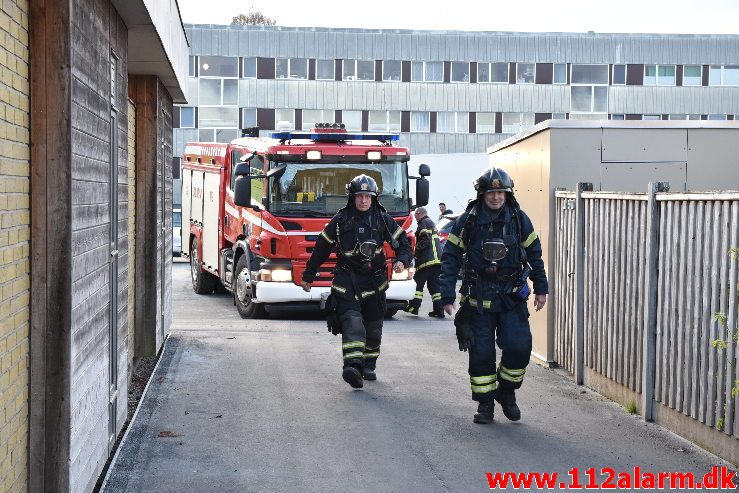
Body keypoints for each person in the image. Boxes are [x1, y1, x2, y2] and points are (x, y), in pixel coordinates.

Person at [439, 167, 548, 424]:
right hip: (478, 300)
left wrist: (541, 288)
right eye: (491, 192)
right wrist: (446, 296)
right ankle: (485, 406)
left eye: (500, 192)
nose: (496, 197)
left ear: (507, 194)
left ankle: (506, 392)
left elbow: (535, 256)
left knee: (519, 347)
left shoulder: (520, 220)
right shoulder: (467, 221)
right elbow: (450, 258)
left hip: (511, 299)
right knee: (481, 355)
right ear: (481, 194)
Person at [301, 174, 412, 388]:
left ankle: (369, 364)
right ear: (352, 198)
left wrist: (402, 260)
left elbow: (404, 244)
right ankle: (353, 367)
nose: (363, 200)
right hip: (347, 280)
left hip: (375, 282)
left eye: (367, 197)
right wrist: (308, 275)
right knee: (352, 322)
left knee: (373, 329)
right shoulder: (340, 221)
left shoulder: (382, 219)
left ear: (374, 199)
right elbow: (321, 249)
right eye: (359, 196)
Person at [404, 207, 444, 317]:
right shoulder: (430, 222)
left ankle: (414, 307)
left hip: (427, 260)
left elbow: (426, 239)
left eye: (415, 215)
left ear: (419, 214)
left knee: (417, 283)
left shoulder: (424, 222)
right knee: (434, 287)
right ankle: (439, 310)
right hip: (436, 261)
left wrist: (415, 250)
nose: (415, 217)